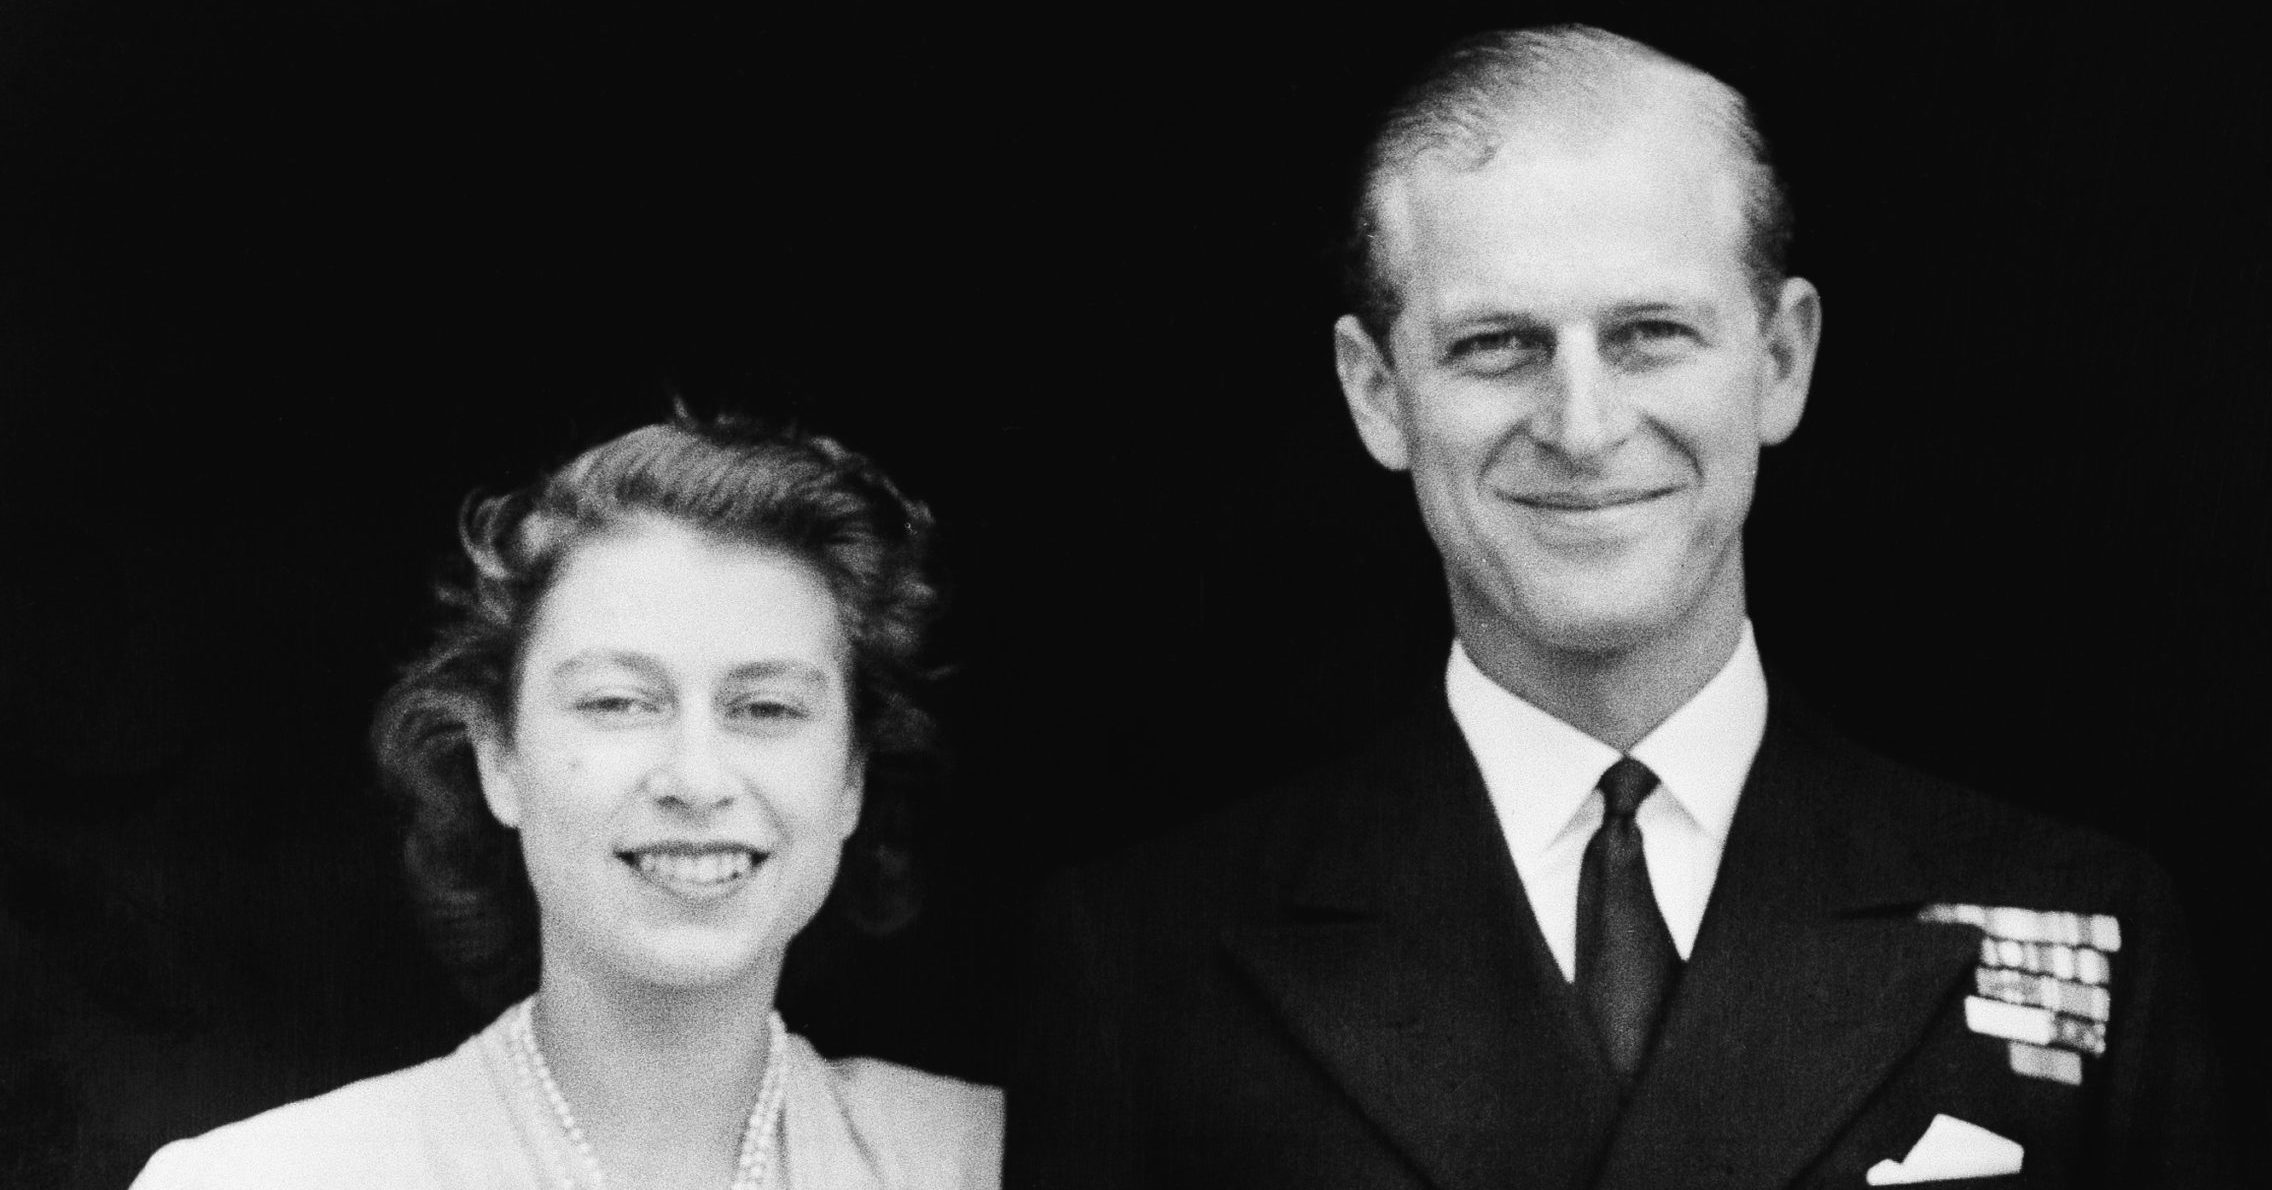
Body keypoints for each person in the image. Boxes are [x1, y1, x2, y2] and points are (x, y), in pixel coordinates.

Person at [1007, 24, 2231, 1189]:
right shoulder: (1145, 962)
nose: (1582, 427)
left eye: (1650, 332)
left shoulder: (2085, 922)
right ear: (1377, 392)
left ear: (1781, 359)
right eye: (1496, 343)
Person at [135, 412, 1002, 1189]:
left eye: (766, 708)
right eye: (618, 702)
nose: (696, 781)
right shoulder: (260, 1179)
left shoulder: (986, 1162)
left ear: (851, 776)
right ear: (500, 758)